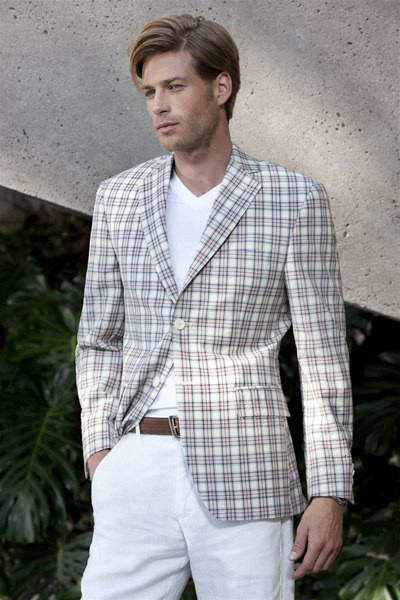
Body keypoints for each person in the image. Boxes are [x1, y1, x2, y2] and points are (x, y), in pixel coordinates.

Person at [75, 13, 354, 600]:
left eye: (175, 86)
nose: (159, 105)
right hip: (134, 466)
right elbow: (99, 337)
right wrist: (101, 455)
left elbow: (322, 356)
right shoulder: (119, 197)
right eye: (150, 92)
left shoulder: (293, 200)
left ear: (220, 87)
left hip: (247, 469)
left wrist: (329, 490)